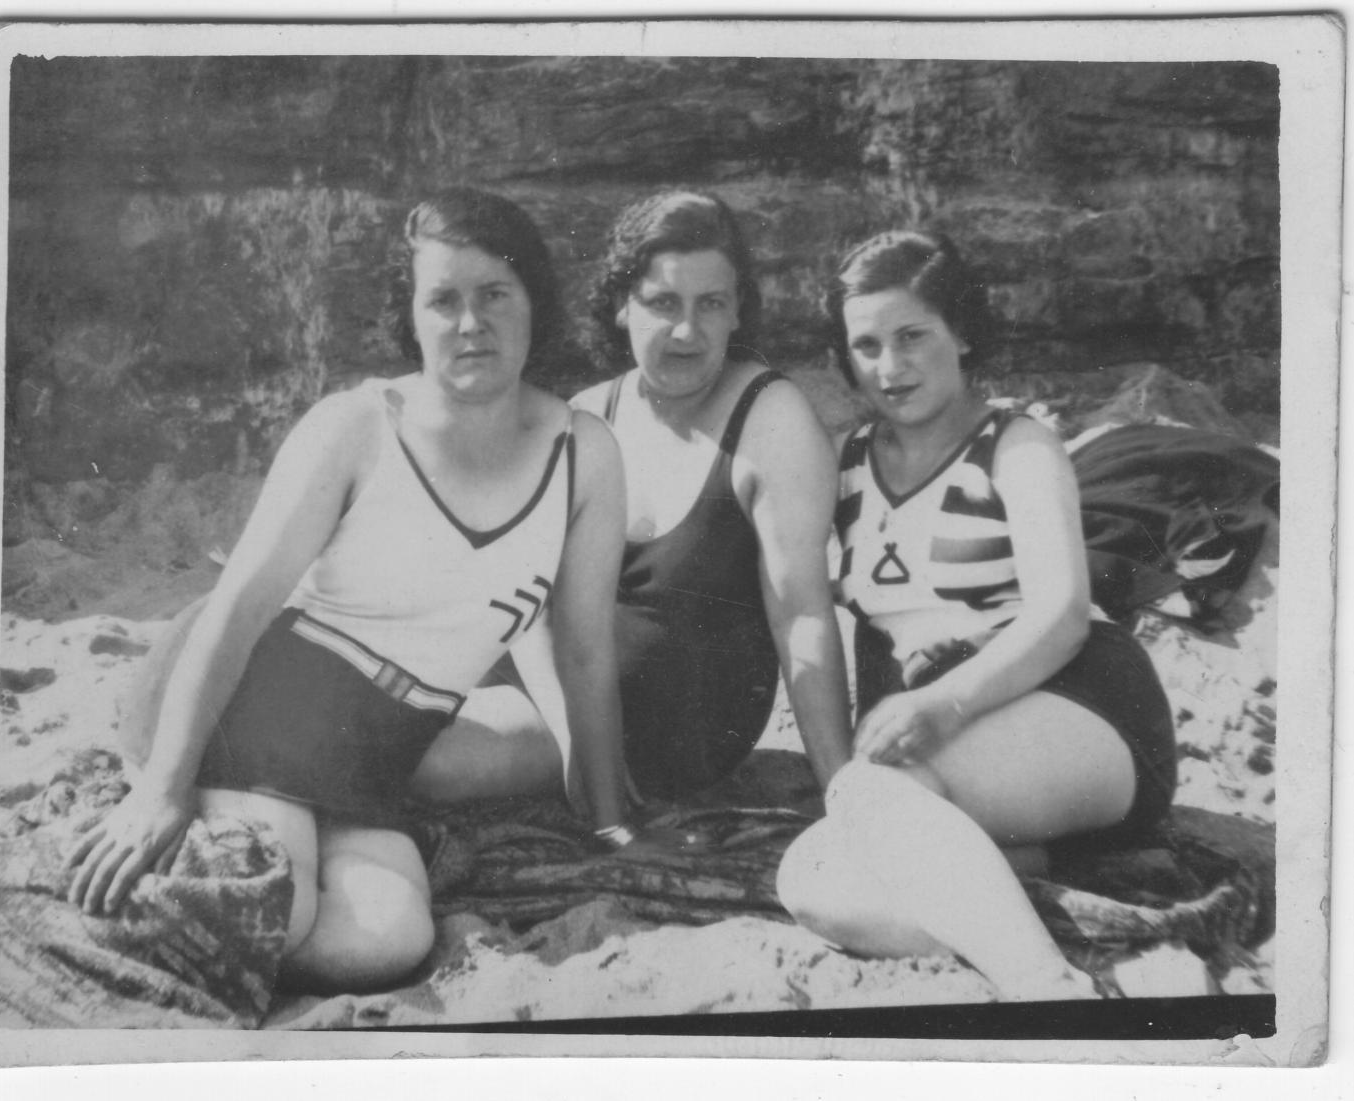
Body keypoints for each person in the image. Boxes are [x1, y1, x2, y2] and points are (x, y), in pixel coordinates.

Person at [64, 189, 638, 993]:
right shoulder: (356, 425)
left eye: (494, 294)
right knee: (279, 908)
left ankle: (229, 861)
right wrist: (162, 787)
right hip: (255, 705)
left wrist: (611, 818)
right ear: (411, 317)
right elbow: (238, 608)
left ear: (533, 302)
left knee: (389, 942)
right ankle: (177, 817)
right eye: (443, 300)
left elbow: (582, 651)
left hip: (374, 756)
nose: (470, 322)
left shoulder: (585, 452)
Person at [775, 230, 1177, 1001]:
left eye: (911, 336)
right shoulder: (849, 461)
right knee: (813, 880)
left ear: (961, 332)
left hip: (1077, 701)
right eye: (866, 345)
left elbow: (1061, 614)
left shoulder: (1015, 445)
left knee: (867, 794)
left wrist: (941, 703)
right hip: (964, 745)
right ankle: (1010, 878)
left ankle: (1047, 989)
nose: (889, 366)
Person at [564, 189, 853, 800]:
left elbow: (802, 616)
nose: (687, 331)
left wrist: (843, 793)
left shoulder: (771, 420)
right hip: (563, 707)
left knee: (439, 761)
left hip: (669, 739)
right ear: (620, 305)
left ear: (738, 311)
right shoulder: (590, 415)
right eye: (663, 302)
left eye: (711, 304)